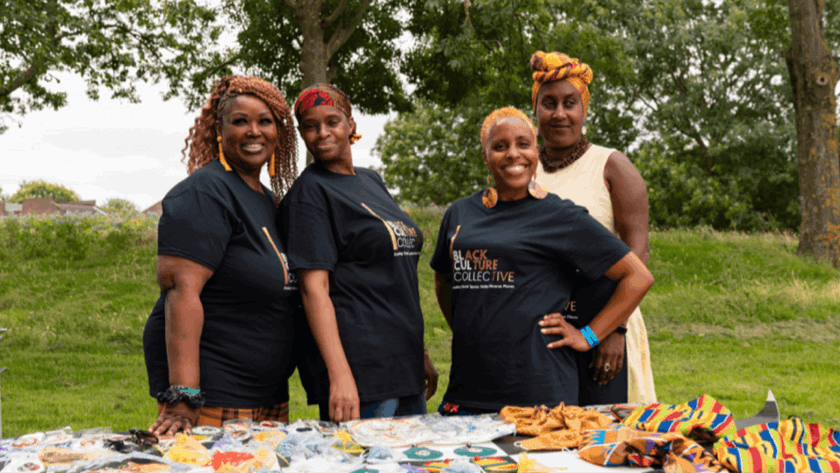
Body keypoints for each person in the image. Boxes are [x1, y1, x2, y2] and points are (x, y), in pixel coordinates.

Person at [430, 107, 654, 415]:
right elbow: (444, 278)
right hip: (468, 391)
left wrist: (589, 335)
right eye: (500, 146)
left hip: (542, 394)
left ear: (536, 150)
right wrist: (470, 328)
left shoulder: (560, 216)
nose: (513, 154)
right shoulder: (460, 214)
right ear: (485, 156)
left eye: (523, 144)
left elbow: (637, 277)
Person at [143, 75, 300, 436]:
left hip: (267, 394)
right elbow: (181, 292)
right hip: (215, 397)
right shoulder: (205, 193)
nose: (254, 131)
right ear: (219, 129)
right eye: (240, 121)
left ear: (279, 131)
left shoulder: (265, 200)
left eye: (265, 121)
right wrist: (183, 397)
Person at [280, 83, 437, 423]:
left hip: (402, 364)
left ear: (350, 125)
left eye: (332, 121)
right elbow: (313, 290)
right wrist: (340, 376)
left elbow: (396, 279)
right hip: (361, 374)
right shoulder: (311, 192)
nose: (322, 133)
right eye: (310, 125)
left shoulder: (371, 181)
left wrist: (418, 351)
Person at [530, 51, 657, 405]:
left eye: (570, 103)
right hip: (544, 327)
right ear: (535, 111)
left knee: (605, 439)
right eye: (548, 103)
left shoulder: (612, 166)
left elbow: (638, 256)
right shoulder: (523, 169)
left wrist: (613, 331)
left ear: (584, 110)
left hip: (604, 324)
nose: (559, 114)